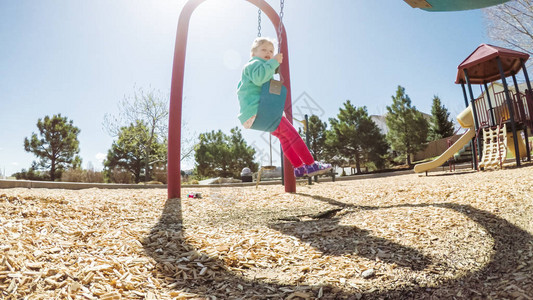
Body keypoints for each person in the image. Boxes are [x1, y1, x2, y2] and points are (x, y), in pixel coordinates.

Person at [237, 37, 332, 177]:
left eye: (271, 50)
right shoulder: (253, 64)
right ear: (253, 53)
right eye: (263, 49)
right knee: (292, 134)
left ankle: (299, 167)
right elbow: (260, 77)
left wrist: (275, 65)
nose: (268, 52)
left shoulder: (259, 66)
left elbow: (264, 77)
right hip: (259, 111)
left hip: (254, 116)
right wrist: (274, 61)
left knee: (284, 138)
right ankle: (311, 164)